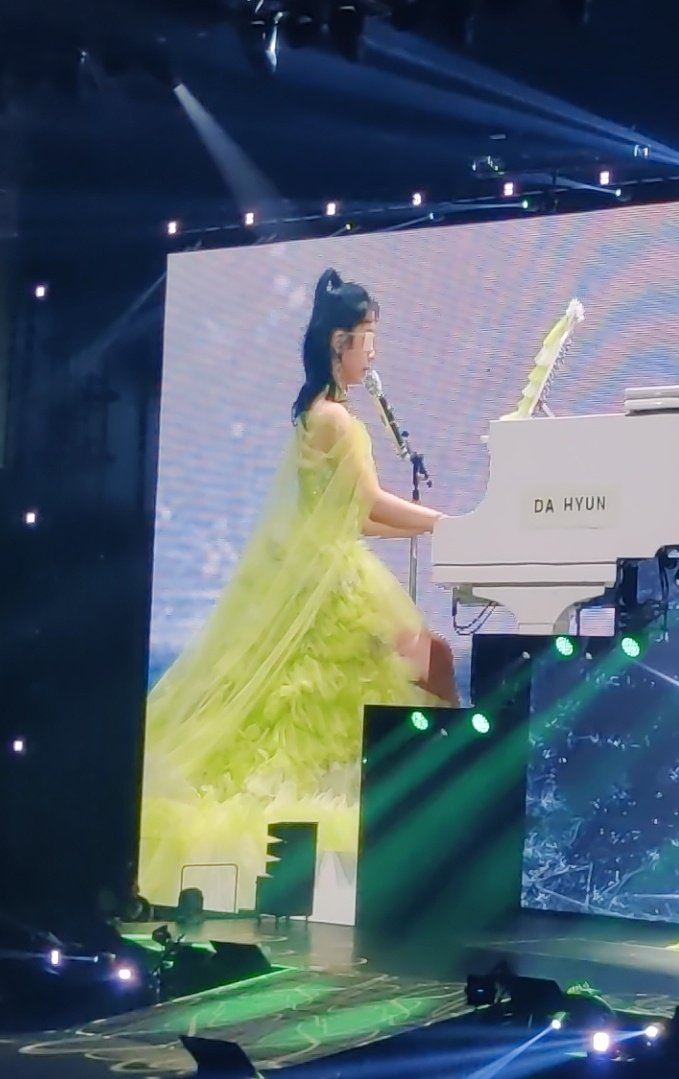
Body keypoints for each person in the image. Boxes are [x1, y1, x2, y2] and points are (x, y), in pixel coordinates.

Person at [138, 269, 457, 914]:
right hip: (338, 587)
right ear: (341, 341)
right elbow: (368, 505)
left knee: (383, 686)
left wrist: (429, 530)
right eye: (368, 335)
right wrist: (450, 524)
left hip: (325, 572)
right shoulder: (339, 421)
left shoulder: (315, 414)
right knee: (426, 669)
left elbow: (351, 515)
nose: (374, 350)